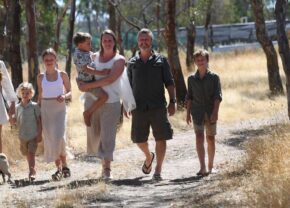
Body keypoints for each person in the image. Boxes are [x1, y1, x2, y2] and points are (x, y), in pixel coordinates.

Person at [127, 28, 176, 181]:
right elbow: (127, 86)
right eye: (141, 40)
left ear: (151, 41)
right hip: (138, 108)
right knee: (138, 139)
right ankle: (149, 156)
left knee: (161, 138)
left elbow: (169, 82)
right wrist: (125, 104)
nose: (144, 42)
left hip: (158, 107)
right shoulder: (132, 63)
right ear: (138, 42)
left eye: (146, 39)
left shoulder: (161, 61)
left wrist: (173, 101)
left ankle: (158, 171)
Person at [77, 29, 126, 180]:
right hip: (92, 99)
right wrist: (80, 83)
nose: (107, 42)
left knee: (108, 136)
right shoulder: (93, 56)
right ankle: (89, 112)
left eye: (110, 40)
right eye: (104, 40)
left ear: (114, 42)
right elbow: (81, 69)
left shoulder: (119, 60)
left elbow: (110, 79)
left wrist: (88, 86)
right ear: (101, 42)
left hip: (111, 102)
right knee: (95, 134)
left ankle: (107, 169)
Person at [186, 49, 222, 176]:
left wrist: (215, 112)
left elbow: (217, 96)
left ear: (207, 61)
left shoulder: (214, 77)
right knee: (199, 137)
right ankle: (202, 167)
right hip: (197, 113)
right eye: (198, 60)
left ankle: (211, 166)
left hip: (210, 112)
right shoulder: (190, 79)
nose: (200, 62)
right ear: (195, 62)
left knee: (210, 139)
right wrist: (187, 114)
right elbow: (189, 97)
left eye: (203, 59)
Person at [37, 48, 72, 181]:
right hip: (46, 109)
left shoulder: (62, 75)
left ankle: (65, 164)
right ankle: (59, 168)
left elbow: (70, 91)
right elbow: (40, 95)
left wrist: (64, 95)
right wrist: (36, 111)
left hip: (60, 108)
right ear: (43, 61)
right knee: (51, 140)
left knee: (60, 137)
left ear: (56, 60)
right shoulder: (40, 77)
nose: (49, 62)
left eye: (51, 59)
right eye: (47, 60)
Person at [73, 32, 110, 127]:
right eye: (88, 43)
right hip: (88, 82)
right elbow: (87, 69)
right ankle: (88, 113)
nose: (90, 45)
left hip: (90, 80)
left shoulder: (87, 52)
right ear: (80, 45)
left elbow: (93, 57)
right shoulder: (78, 54)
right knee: (104, 97)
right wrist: (101, 72)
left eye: (90, 43)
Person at [11, 82, 42, 181]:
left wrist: (39, 133)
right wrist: (12, 119)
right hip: (22, 135)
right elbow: (15, 121)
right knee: (26, 153)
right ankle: (31, 168)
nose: (25, 95)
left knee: (31, 153)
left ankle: (32, 171)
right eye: (23, 93)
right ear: (20, 94)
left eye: (27, 93)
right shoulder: (17, 107)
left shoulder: (34, 106)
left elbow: (39, 120)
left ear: (31, 94)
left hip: (33, 134)